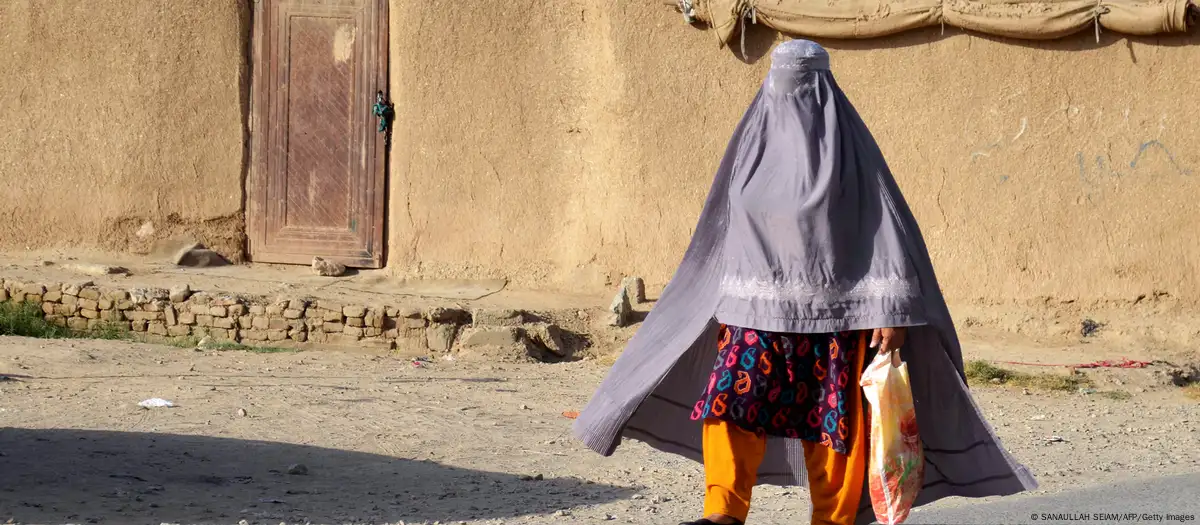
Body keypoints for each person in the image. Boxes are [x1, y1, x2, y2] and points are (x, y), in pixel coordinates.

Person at [572, 39, 1037, 525]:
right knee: (731, 404)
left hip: (836, 320)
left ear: (824, 86)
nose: (791, 94)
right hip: (757, 315)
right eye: (782, 80)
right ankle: (722, 513)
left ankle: (832, 520)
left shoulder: (854, 158)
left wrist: (892, 315)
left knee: (832, 428)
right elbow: (720, 231)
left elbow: (887, 235)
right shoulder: (751, 148)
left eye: (803, 83)